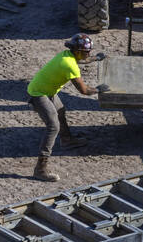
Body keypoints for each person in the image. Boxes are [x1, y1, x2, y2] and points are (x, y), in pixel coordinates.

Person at [26, 34, 96, 182]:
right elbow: (84, 90)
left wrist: (96, 59)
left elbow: (81, 60)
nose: (88, 54)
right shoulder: (69, 65)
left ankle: (66, 140)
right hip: (39, 94)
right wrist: (99, 90)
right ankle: (40, 170)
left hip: (47, 91)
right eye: (86, 52)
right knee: (53, 127)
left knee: (60, 111)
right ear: (76, 51)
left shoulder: (68, 55)